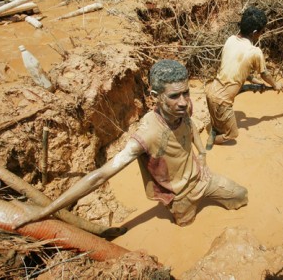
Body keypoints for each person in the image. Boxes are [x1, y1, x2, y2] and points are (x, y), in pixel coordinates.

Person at [14, 60, 248, 229]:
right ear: (155, 95)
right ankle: (180, 213)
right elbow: (99, 176)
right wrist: (45, 212)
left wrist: (203, 157)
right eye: (174, 96)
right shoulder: (146, 135)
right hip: (179, 197)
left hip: (202, 178)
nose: (184, 102)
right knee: (187, 228)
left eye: (186, 93)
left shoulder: (183, 107)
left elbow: (192, 126)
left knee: (240, 195)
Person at [205, 6, 283, 150]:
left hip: (211, 91)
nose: (261, 34)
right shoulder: (254, 52)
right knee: (232, 135)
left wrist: (254, 82)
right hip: (222, 101)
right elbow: (265, 74)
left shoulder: (230, 40)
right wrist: (275, 85)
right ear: (255, 33)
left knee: (218, 120)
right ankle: (209, 142)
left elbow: (237, 71)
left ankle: (215, 129)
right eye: (262, 32)